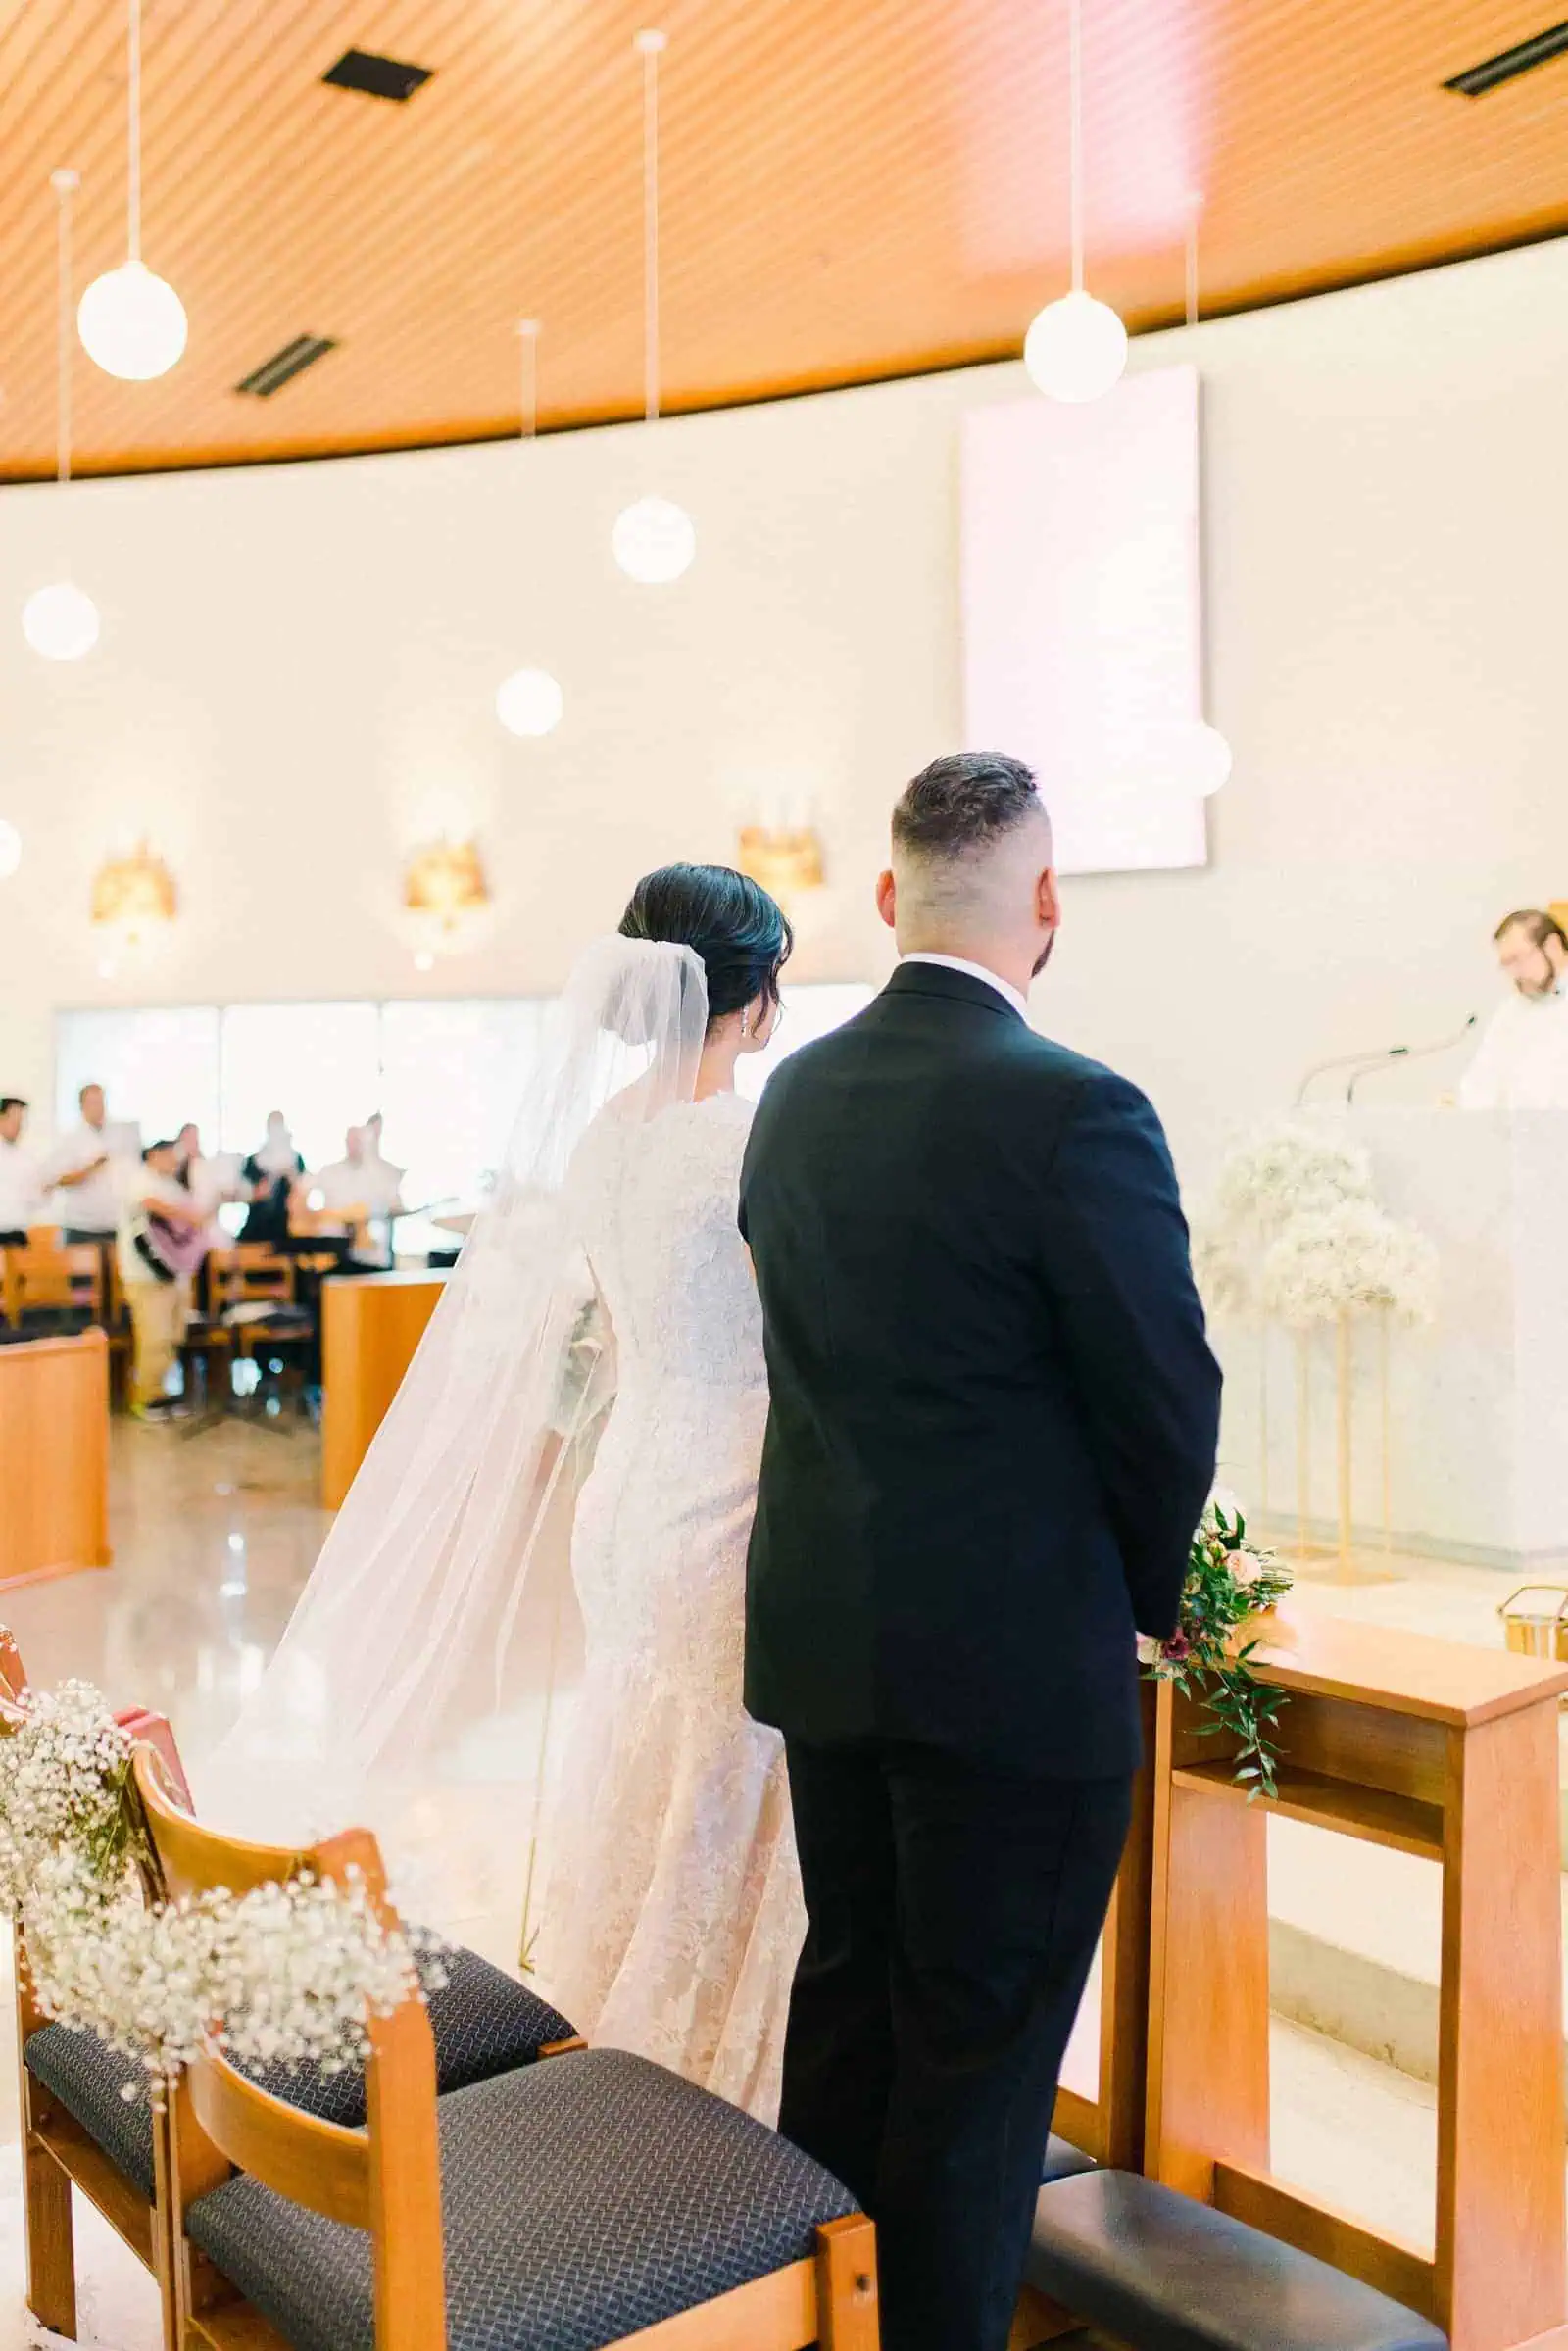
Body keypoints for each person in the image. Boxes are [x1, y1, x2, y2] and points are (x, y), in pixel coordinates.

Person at [739, 753, 1221, 2351]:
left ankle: (825, 2325)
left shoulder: (795, 1093)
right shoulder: (1076, 1103)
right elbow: (1164, 1393)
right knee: (979, 2074)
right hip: (1014, 1674)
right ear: (1048, 903)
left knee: (853, 2016)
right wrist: (1155, 1603)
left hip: (828, 1643)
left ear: (886, 897)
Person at [196, 868, 806, 2120]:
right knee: (726, 1758)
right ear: (750, 997)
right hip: (727, 1495)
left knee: (644, 1731)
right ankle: (696, 2059)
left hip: (628, 1491)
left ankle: (608, 1983)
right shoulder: (745, 1139)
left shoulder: (603, 1138)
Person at [119, 1139, 210, 1420]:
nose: (175, 1161)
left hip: (173, 1274)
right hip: (145, 1275)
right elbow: (152, 1205)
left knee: (172, 1335)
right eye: (171, 1155)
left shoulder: (173, 1185)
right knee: (153, 1336)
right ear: (155, 1155)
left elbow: (196, 1215)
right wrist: (185, 1214)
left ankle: (161, 1393)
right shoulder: (140, 1180)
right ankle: (145, 1399)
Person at [1458, 908, 1568, 1110]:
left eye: (1519, 959)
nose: (1515, 974)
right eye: (1507, 964)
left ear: (1552, 946)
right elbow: (1480, 1084)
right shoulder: (1510, 1013)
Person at [310, 1126, 405, 1265]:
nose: (354, 1145)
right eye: (351, 1140)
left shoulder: (380, 1175)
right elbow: (307, 1197)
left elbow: (395, 1206)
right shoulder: (330, 1173)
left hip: (371, 1255)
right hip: (335, 1253)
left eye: (358, 1141)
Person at [48, 1082, 122, 1243]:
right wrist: (92, 1168)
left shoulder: (116, 1136)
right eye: (94, 1102)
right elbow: (60, 1179)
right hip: (82, 1228)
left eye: (102, 1102)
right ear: (82, 1106)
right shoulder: (70, 1140)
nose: (99, 1108)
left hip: (111, 1226)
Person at [239, 1112, 304, 1246]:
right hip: (256, 1226)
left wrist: (291, 1174)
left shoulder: (295, 1161)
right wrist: (258, 1192)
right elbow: (243, 1194)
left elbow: (301, 1194)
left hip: (285, 1226)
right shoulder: (253, 1162)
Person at [0, 1097, 41, 1247]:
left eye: (21, 1121)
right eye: (13, 1120)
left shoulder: (27, 1159)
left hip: (18, 1235)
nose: (18, 1126)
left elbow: (34, 1198)